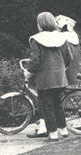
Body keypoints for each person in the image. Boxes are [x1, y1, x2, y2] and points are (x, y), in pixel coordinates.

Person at [27, 12, 71, 142]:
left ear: (41, 24)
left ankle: (52, 134)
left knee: (47, 106)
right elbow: (69, 57)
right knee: (58, 104)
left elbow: (35, 60)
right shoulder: (61, 38)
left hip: (45, 78)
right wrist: (62, 68)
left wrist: (29, 72)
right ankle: (64, 131)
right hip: (59, 77)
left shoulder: (37, 39)